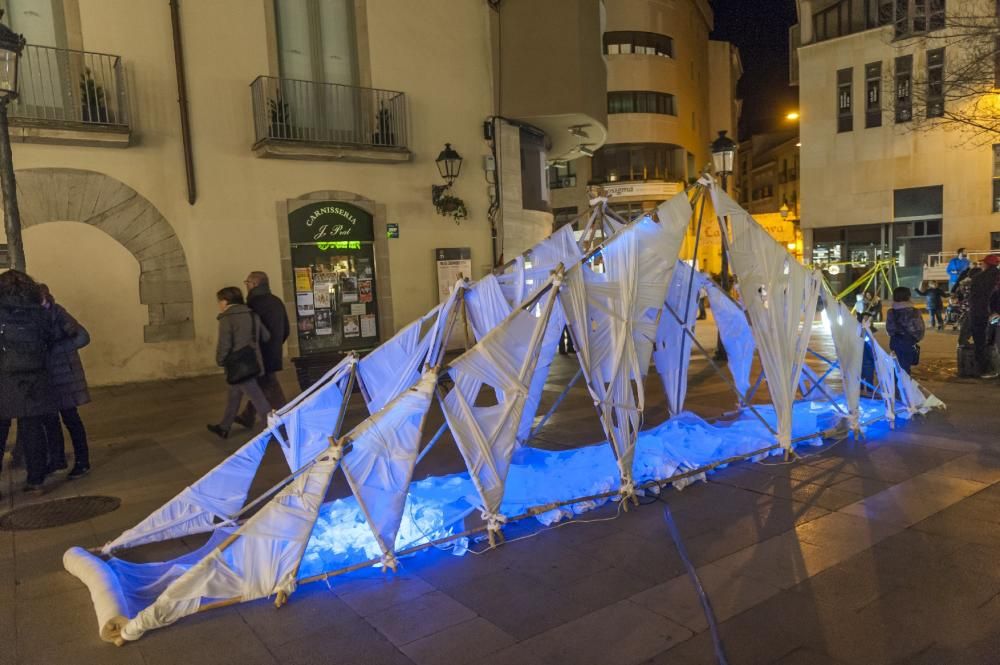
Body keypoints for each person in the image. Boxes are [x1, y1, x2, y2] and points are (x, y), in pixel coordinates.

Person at [0, 270, 59, 493]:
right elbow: (50, 340)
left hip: (3, 378)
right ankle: (36, 480)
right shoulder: (38, 312)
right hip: (34, 378)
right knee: (33, 429)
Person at [38, 285, 92, 479]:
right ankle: (57, 459)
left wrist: (58, 349)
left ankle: (82, 461)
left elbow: (83, 337)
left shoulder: (58, 313)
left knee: (71, 419)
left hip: (65, 376)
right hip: (47, 377)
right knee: (50, 420)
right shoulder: (36, 316)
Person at [207, 286, 272, 439]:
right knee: (234, 394)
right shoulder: (252, 314)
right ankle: (224, 426)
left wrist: (220, 360)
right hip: (254, 362)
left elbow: (224, 344)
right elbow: (266, 336)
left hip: (239, 366)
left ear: (225, 301)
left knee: (258, 399)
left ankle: (275, 427)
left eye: (219, 301)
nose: (219, 304)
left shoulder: (227, 318)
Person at [234, 271, 289, 428]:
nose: (246, 286)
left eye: (247, 283)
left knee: (269, 388)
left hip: (259, 354)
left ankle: (283, 419)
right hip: (273, 352)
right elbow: (286, 329)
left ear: (255, 284)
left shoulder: (253, 304)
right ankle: (248, 415)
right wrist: (276, 344)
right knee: (262, 385)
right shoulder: (276, 301)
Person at [967, 254, 1000, 379]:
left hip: (979, 313)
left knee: (980, 341)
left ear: (986, 264)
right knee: (996, 341)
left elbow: (974, 298)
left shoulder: (977, 278)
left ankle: (983, 369)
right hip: (995, 314)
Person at [885, 286, 925, 375]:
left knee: (896, 365)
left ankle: (896, 385)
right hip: (908, 343)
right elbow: (919, 330)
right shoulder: (914, 312)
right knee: (905, 368)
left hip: (895, 342)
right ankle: (903, 387)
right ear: (908, 297)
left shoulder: (891, 312)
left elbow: (889, 330)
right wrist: (915, 338)